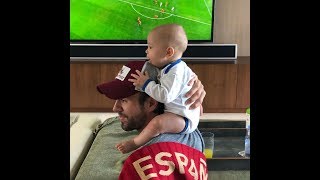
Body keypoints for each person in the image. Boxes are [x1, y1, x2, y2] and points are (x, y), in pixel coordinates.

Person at [115, 24, 201, 154]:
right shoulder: (172, 67)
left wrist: (146, 84)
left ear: (168, 52)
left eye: (150, 47)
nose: (146, 51)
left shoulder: (175, 72)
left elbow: (165, 96)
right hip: (183, 114)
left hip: (183, 119)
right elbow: (191, 78)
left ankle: (135, 143)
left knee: (158, 123)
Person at [96, 60, 206, 153]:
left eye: (124, 100)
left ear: (151, 103)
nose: (115, 108)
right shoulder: (122, 123)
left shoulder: (158, 154)